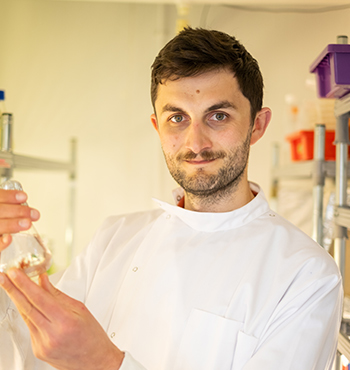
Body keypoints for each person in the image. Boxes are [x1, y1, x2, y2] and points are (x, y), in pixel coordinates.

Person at [0, 27, 343, 370]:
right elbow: (28, 349)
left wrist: (106, 363)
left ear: (257, 125)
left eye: (218, 116)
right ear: (157, 127)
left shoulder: (306, 275)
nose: (196, 142)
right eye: (177, 118)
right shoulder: (115, 237)